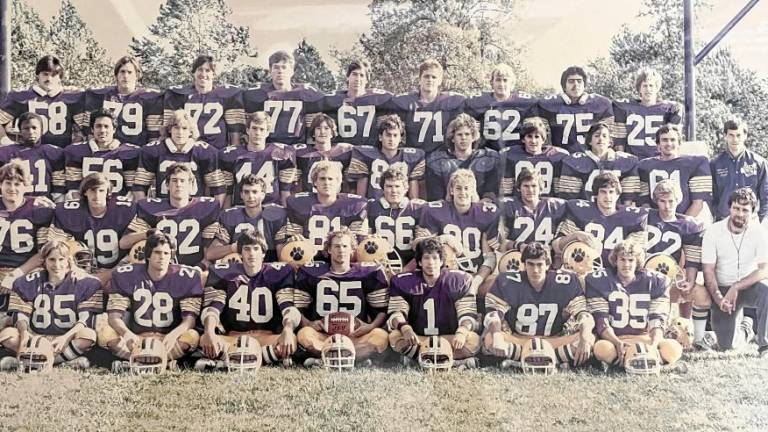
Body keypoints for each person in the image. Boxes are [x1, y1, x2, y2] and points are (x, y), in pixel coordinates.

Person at [100, 230, 202, 372]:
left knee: (192, 336)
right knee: (106, 333)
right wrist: (126, 333)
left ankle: (137, 361)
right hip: (137, 339)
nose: (162, 257)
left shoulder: (185, 277)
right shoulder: (127, 275)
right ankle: (163, 362)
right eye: (157, 252)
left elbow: (189, 320)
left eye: (166, 253)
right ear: (148, 254)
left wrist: (174, 334)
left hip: (167, 340)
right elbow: (113, 317)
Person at [197, 228, 299, 370]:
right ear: (240, 253)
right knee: (204, 339)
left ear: (263, 253)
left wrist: (288, 329)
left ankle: (227, 360)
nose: (251, 254)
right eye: (247, 249)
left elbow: (287, 307)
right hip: (234, 338)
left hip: (265, 337)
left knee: (291, 339)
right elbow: (213, 308)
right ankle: (266, 358)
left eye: (256, 249)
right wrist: (209, 331)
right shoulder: (224, 273)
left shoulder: (278, 273)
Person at [484, 243, 594, 370]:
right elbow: (493, 315)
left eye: (539, 264)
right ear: (524, 264)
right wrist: (497, 337)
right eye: (530, 264)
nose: (535, 270)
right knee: (490, 338)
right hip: (520, 339)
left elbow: (583, 314)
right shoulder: (508, 281)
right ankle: (556, 360)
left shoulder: (565, 281)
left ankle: (521, 360)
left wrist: (584, 337)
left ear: (547, 264)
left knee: (589, 338)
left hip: (553, 340)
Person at [0, 240, 102, 370]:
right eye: (52, 259)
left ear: (68, 261)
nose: (57, 264)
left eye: (61, 259)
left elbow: (85, 320)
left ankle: (40, 361)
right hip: (35, 336)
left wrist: (66, 337)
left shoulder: (85, 283)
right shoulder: (28, 282)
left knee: (88, 335)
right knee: (7, 335)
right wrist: (25, 334)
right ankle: (61, 361)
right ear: (44, 261)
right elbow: (21, 316)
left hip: (64, 339)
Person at [295, 228, 390, 367]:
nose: (341, 250)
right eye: (337, 246)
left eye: (345, 246)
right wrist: (308, 323)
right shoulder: (313, 273)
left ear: (352, 249)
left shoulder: (368, 273)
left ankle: (324, 360)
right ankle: (355, 360)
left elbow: (382, 310)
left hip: (356, 336)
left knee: (380, 336)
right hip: (324, 335)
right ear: (328, 250)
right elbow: (298, 308)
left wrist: (370, 326)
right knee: (304, 333)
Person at [586, 240, 683, 369]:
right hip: (615, 340)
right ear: (615, 260)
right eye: (622, 259)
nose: (626, 264)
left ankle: (629, 361)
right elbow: (601, 322)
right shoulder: (601, 281)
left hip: (644, 338)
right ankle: (648, 361)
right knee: (601, 348)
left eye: (631, 260)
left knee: (673, 348)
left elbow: (657, 320)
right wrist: (617, 342)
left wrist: (654, 345)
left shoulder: (654, 281)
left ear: (637, 261)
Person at [387, 237, 480, 369]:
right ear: (419, 261)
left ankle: (420, 359)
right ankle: (454, 362)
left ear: (442, 260)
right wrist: (405, 328)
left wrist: (462, 331)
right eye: (426, 258)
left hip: (449, 338)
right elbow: (396, 312)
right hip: (419, 338)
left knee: (473, 340)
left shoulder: (458, 280)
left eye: (435, 258)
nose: (431, 262)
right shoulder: (404, 282)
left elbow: (467, 313)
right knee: (395, 336)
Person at [702, 188, 768, 356]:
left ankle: (765, 345)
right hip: (723, 289)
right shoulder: (713, 231)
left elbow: (764, 269)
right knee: (726, 346)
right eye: (736, 208)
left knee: (767, 290)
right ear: (729, 208)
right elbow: (708, 271)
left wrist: (737, 286)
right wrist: (719, 299)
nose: (740, 213)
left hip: (749, 286)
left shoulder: (759, 232)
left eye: (745, 210)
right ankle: (746, 328)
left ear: (753, 212)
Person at [414, 169, 499, 295]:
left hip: (476, 272)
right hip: (446, 273)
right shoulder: (434, 210)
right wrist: (445, 239)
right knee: (445, 248)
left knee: (499, 282)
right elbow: (418, 245)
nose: (463, 193)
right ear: (451, 190)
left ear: (473, 191)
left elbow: (490, 257)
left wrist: (476, 281)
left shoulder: (486, 213)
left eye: (466, 188)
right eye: (458, 188)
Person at [121, 163, 220, 269]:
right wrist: (147, 234)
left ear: (191, 185)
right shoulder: (152, 209)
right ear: (167, 185)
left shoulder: (205, 208)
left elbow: (209, 253)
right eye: (174, 180)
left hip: (193, 270)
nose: (178, 184)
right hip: (160, 271)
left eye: (183, 181)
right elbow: (123, 243)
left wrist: (200, 268)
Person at [48, 173, 137, 286]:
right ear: (85, 192)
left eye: (101, 191)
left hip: (119, 270)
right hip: (80, 273)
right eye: (92, 190)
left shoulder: (125, 210)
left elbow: (136, 252)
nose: (97, 195)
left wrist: (111, 272)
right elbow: (53, 247)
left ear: (108, 192)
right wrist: (78, 271)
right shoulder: (69, 213)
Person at [0, 162, 55, 327]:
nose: (12, 188)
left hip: (28, 267)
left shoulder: (38, 208)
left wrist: (15, 274)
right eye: (8, 183)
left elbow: (44, 253)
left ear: (26, 186)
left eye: (17, 184)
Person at [132, 109, 225, 204]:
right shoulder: (154, 150)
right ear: (169, 129)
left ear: (191, 131)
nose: (180, 132)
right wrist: (145, 211)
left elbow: (218, 188)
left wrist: (212, 212)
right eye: (176, 128)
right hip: (162, 208)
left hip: (195, 208)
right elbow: (140, 186)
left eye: (184, 128)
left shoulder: (205, 152)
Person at [554, 172, 648, 265]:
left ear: (618, 194)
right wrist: (575, 236)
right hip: (586, 268)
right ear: (596, 194)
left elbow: (637, 257)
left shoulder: (633, 218)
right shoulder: (581, 212)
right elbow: (556, 246)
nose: (608, 197)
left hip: (618, 272)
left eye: (611, 192)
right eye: (603, 192)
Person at [0, 55, 84, 148]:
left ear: (60, 77)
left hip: (60, 155)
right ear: (37, 76)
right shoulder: (22, 97)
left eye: (53, 75)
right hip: (29, 155)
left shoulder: (72, 97)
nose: (49, 79)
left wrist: (73, 147)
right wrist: (6, 141)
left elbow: (85, 129)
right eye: (45, 74)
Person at [243, 50, 324, 145]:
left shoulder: (305, 92)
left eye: (284, 67)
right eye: (276, 67)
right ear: (270, 71)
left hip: (297, 146)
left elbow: (313, 127)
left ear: (292, 71)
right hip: (268, 146)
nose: (280, 71)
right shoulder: (259, 93)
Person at [79, 56, 164, 146]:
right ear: (116, 74)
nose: (126, 76)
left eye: (130, 72)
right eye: (122, 71)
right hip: (107, 151)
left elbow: (154, 135)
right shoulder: (101, 95)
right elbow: (89, 131)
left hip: (136, 152)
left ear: (137, 75)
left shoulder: (148, 97)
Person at [163, 54, 244, 149]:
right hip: (189, 149)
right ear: (194, 72)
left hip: (217, 149)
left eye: (208, 70)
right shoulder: (181, 95)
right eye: (200, 69)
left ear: (214, 74)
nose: (203, 74)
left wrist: (234, 152)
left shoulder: (225, 95)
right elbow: (169, 128)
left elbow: (234, 132)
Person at [285, 160, 367, 253]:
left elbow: (356, 248)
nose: (327, 183)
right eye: (322, 178)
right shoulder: (298, 203)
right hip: (309, 259)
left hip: (341, 259)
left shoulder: (354, 205)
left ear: (338, 182)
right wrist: (295, 242)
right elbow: (294, 243)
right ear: (315, 182)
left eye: (330, 179)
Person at [218, 111, 296, 207]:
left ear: (267, 132)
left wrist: (286, 215)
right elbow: (228, 192)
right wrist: (227, 214)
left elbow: (285, 191)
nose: (257, 133)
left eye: (261, 129)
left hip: (271, 207)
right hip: (241, 207)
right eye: (254, 128)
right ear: (247, 130)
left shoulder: (280, 153)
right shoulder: (232, 155)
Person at [389, 59, 466, 155]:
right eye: (426, 76)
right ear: (419, 79)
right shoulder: (408, 102)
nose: (430, 80)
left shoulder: (449, 101)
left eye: (434, 77)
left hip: (441, 157)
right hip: (413, 155)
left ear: (440, 81)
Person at [206, 175, 289, 264]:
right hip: (240, 269)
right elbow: (210, 254)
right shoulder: (231, 217)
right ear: (241, 195)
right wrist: (234, 247)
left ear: (262, 194)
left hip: (269, 266)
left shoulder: (276, 215)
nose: (250, 196)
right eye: (246, 192)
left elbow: (282, 255)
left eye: (254, 192)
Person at [637, 123, 711, 217]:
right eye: (664, 140)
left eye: (673, 140)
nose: (669, 143)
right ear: (658, 144)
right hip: (655, 221)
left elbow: (698, 203)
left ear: (679, 143)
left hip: (684, 219)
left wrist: (682, 224)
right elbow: (644, 202)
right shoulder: (645, 165)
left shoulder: (694, 163)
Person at [64, 108, 141, 198]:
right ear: (92, 129)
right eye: (98, 126)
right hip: (87, 204)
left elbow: (131, 191)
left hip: (117, 204)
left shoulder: (129, 152)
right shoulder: (76, 151)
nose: (102, 130)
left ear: (114, 129)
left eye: (106, 126)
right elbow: (74, 190)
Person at [557, 122, 639, 204]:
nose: (600, 139)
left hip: (615, 212)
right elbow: (569, 199)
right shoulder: (576, 161)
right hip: (585, 211)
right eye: (596, 135)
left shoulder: (625, 162)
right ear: (589, 141)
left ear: (610, 142)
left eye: (604, 136)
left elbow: (629, 201)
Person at [537, 66, 613, 154]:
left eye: (579, 81)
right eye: (571, 81)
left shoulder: (600, 104)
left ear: (584, 85)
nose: (576, 84)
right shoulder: (550, 105)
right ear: (564, 86)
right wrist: (547, 145)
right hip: (560, 154)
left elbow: (608, 135)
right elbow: (541, 132)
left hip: (590, 155)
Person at [424, 113, 500, 202]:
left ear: (473, 137)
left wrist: (478, 208)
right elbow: (436, 198)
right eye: (459, 134)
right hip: (447, 211)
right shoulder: (437, 161)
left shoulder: (489, 158)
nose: (463, 138)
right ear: (452, 138)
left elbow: (490, 194)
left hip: (480, 210)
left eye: (467, 134)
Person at [347, 114, 425, 200]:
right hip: (374, 205)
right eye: (388, 135)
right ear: (380, 137)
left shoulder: (411, 158)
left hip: (401, 207)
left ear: (400, 138)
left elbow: (414, 199)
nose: (391, 139)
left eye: (395, 135)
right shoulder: (366, 155)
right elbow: (360, 197)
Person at [317, 60, 394, 147]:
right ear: (347, 77)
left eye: (361, 75)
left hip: (369, 152)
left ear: (367, 80)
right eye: (354, 74)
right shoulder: (334, 98)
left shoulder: (377, 98)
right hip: (340, 151)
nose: (357, 78)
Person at [465, 63, 539, 151]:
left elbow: (535, 127)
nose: (501, 84)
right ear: (492, 82)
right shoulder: (481, 100)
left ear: (512, 83)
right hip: (488, 152)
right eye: (498, 80)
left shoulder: (522, 101)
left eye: (505, 80)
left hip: (515, 152)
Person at [612, 67, 682, 158]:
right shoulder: (625, 107)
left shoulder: (669, 109)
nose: (648, 89)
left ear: (657, 88)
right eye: (645, 86)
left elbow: (673, 141)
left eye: (651, 85)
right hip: (632, 160)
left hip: (658, 160)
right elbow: (619, 140)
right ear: (639, 88)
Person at [710, 118, 768, 222]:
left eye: (738, 135)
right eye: (731, 135)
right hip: (723, 221)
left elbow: (766, 196)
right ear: (725, 136)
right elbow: (711, 196)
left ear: (745, 136)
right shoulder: (715, 164)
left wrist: (763, 220)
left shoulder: (759, 163)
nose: (735, 139)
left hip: (751, 222)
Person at [366, 167, 425, 266]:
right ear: (382, 188)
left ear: (406, 188)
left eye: (397, 186)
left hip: (412, 262)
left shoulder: (418, 208)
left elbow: (424, 246)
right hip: (379, 262)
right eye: (389, 186)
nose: (393, 190)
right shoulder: (371, 207)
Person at [0, 112, 65, 200]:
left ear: (41, 130)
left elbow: (59, 180)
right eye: (26, 128)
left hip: (43, 202)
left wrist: (56, 199)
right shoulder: (8, 152)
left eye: (34, 128)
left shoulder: (51, 151)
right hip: (17, 201)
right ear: (20, 131)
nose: (31, 132)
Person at [500, 168, 567, 252]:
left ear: (541, 188)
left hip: (547, 258)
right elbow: (499, 240)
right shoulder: (510, 207)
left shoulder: (554, 206)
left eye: (534, 186)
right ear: (519, 188)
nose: (530, 190)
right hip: (517, 257)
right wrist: (517, 245)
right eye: (526, 186)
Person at [500, 118, 567, 198]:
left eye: (537, 136)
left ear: (543, 139)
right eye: (529, 136)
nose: (533, 141)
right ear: (523, 139)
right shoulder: (510, 155)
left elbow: (559, 191)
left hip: (547, 203)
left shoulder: (557, 156)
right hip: (519, 203)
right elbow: (506, 191)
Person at [294, 114, 354, 192]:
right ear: (313, 133)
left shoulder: (344, 151)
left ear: (332, 133)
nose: (322, 132)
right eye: (318, 128)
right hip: (310, 199)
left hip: (337, 199)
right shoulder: (303, 153)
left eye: (326, 128)